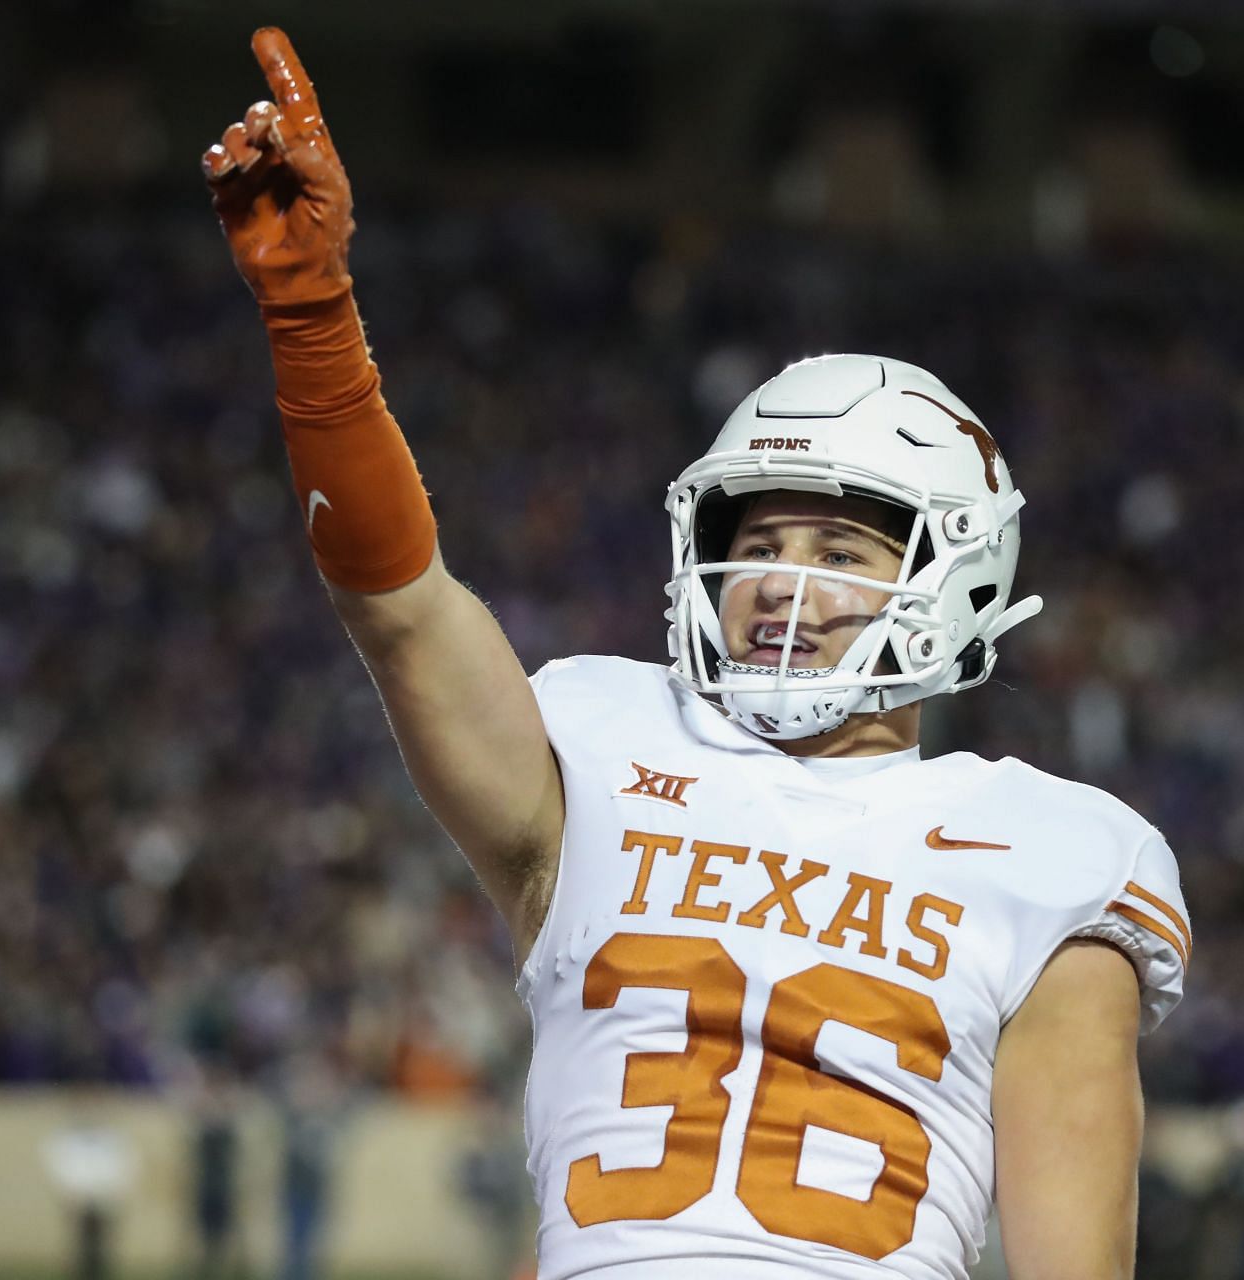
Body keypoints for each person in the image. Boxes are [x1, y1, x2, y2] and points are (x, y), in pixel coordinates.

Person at [201, 28, 1190, 1279]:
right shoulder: (604, 743)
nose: (782, 576)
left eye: (839, 547)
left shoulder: (1053, 852)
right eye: (761, 538)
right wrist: (313, 318)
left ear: (956, 575)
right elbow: (399, 606)